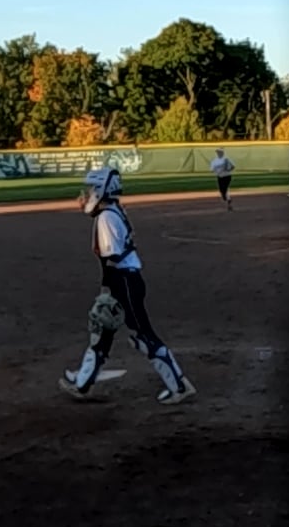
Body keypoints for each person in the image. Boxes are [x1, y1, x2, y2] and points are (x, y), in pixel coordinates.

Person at [61, 166, 196, 404]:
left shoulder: (106, 217)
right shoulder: (111, 211)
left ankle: (179, 386)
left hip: (123, 281)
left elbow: (112, 259)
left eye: (93, 189)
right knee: (103, 331)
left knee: (142, 335)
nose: (89, 194)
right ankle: (83, 382)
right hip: (125, 279)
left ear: (102, 190)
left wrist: (106, 290)